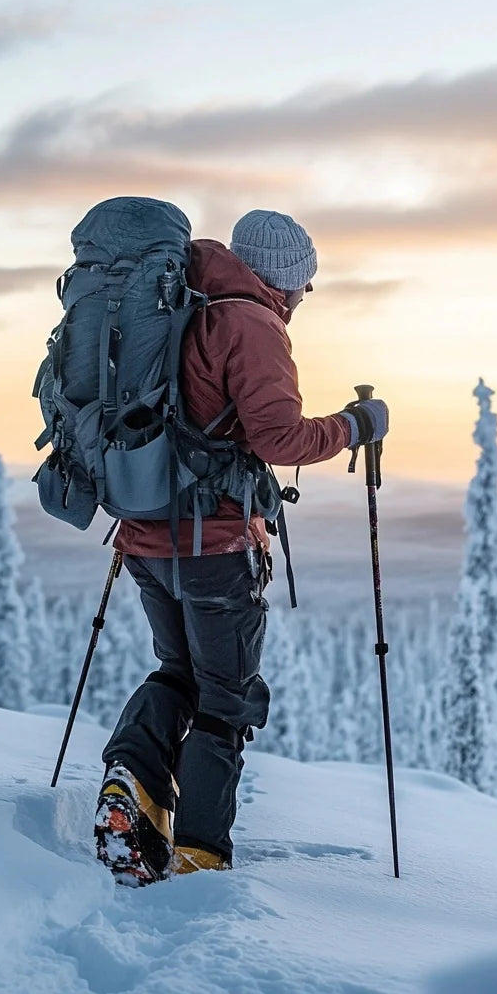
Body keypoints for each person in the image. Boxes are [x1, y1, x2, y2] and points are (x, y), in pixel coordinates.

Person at [94, 210, 389, 884]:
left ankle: (130, 791)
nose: (303, 299)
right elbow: (279, 440)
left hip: (145, 537)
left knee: (177, 674)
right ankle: (201, 852)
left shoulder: (179, 305)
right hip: (215, 543)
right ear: (282, 278)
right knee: (224, 698)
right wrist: (354, 425)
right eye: (304, 285)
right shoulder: (250, 324)